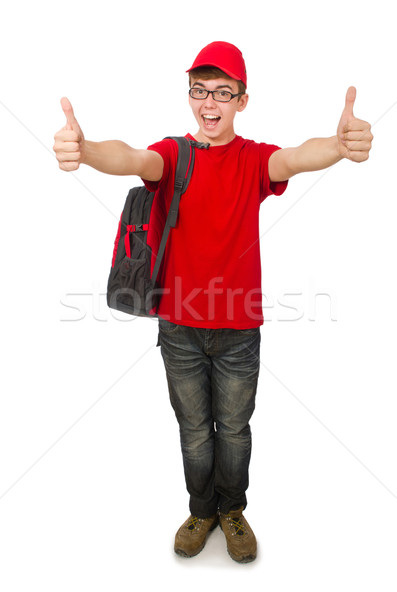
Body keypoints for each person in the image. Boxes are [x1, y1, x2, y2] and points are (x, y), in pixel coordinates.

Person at [53, 41, 373, 563]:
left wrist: (339, 146)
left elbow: (296, 155)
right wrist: (85, 151)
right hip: (178, 327)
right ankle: (202, 510)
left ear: (242, 101)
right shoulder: (174, 155)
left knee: (236, 430)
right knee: (194, 431)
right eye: (200, 91)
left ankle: (233, 510)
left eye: (223, 93)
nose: (210, 103)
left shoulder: (253, 160)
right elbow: (134, 156)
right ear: (190, 96)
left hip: (239, 329)